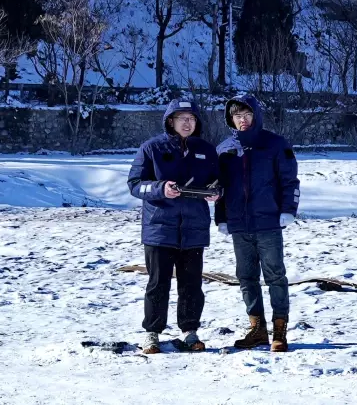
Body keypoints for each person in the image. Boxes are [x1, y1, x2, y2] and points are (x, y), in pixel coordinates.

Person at [127, 98, 220, 354]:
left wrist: (216, 192)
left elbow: (217, 181)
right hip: (159, 229)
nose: (187, 123)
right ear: (170, 121)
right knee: (158, 284)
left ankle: (190, 332)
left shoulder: (206, 150)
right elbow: (135, 184)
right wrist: (161, 188)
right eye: (182, 118)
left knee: (192, 285)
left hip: (194, 229)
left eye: (191, 118)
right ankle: (152, 334)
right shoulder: (151, 148)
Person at [215, 92, 300, 352]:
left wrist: (288, 210)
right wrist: (221, 218)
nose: (243, 120)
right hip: (240, 225)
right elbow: (220, 188)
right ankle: (257, 329)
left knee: (275, 275)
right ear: (231, 119)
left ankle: (279, 330)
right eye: (237, 116)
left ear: (256, 115)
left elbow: (290, 180)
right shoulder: (225, 148)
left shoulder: (275, 144)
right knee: (246, 277)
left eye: (247, 114)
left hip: (268, 223)